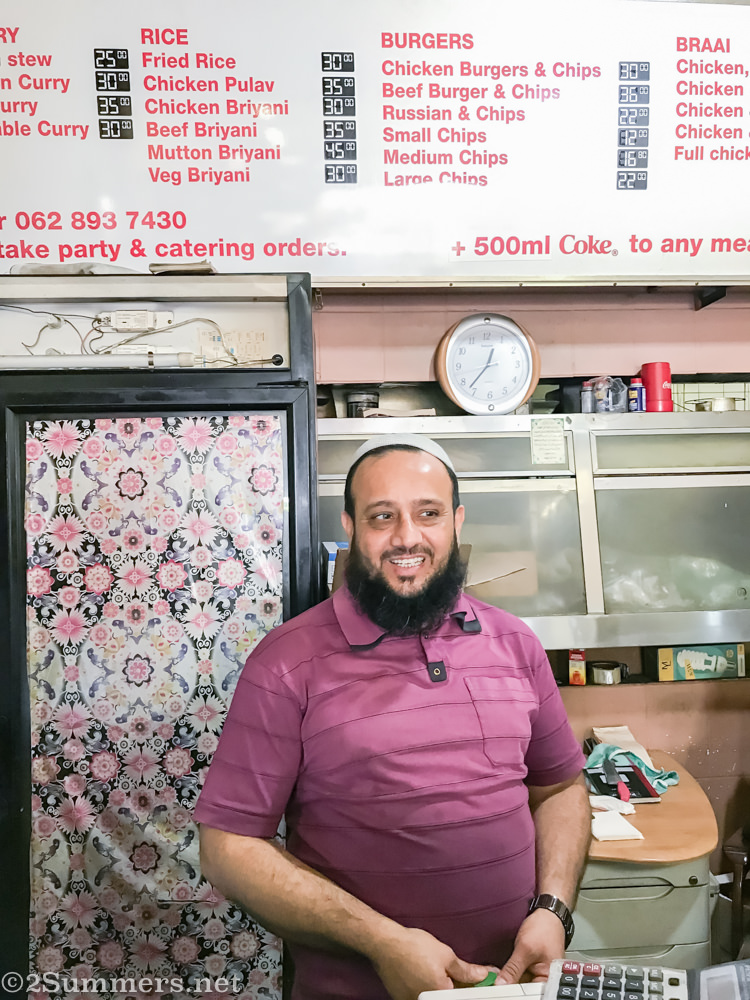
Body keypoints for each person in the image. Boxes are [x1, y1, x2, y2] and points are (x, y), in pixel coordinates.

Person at [195, 434, 591, 1000]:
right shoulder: (287, 664)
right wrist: (382, 943)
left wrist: (553, 910)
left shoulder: (515, 643)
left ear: (456, 521)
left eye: (428, 513)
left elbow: (559, 788)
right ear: (351, 527)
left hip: (509, 984)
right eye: (383, 517)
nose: (408, 537)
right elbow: (229, 847)